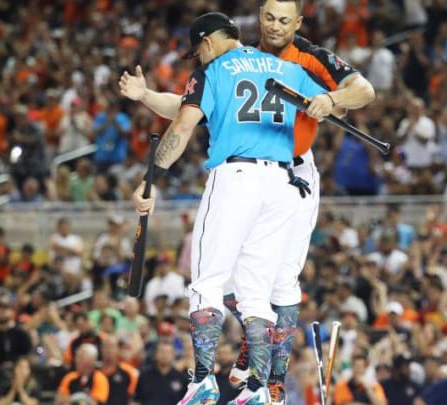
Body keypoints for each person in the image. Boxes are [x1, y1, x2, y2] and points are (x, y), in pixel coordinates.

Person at [120, 1, 376, 402]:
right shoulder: (285, 69)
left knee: (209, 282)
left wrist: (149, 180)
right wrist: (330, 100)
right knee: (256, 291)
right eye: (269, 17)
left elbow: (185, 120)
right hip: (281, 181)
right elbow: (339, 102)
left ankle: (204, 380)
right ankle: (258, 384)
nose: (275, 26)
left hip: (243, 176)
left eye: (283, 19)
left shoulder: (220, 68)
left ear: (206, 43)